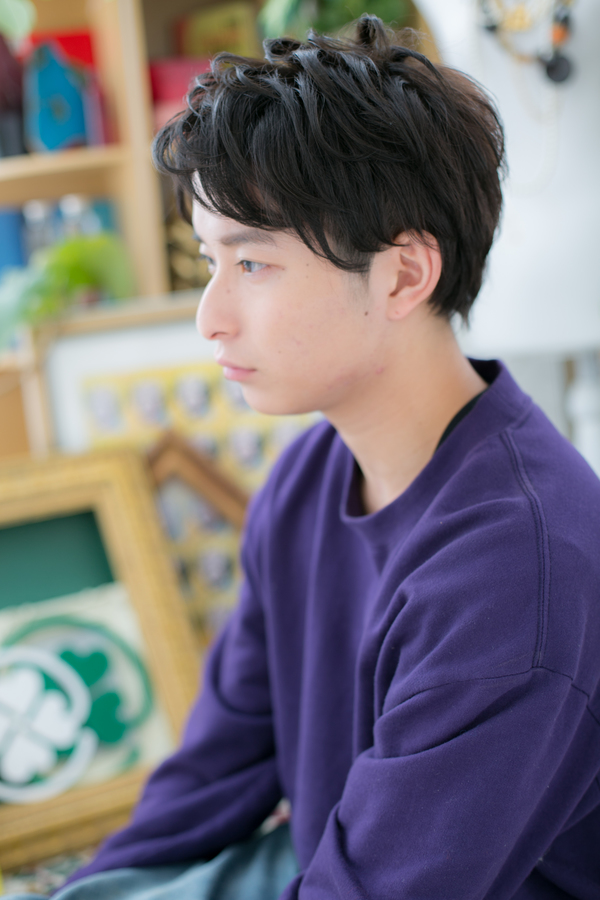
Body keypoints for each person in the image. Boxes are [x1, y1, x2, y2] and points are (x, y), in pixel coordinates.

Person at [9, 15, 600, 900]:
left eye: (252, 265)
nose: (210, 317)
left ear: (405, 274)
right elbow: (213, 774)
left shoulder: (519, 567)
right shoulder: (308, 478)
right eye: (209, 261)